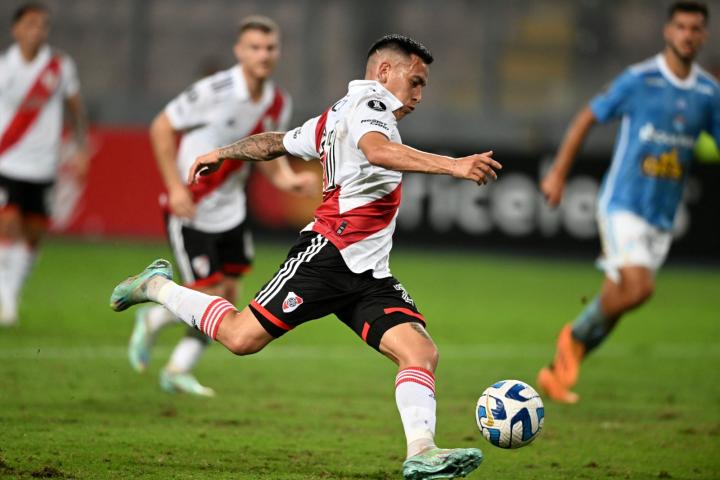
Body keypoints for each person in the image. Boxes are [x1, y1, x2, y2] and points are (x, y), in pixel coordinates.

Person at [111, 34, 501, 479]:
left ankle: (422, 452)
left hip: (368, 272)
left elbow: (277, 142)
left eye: (423, 86)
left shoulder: (338, 114)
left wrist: (223, 152)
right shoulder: (371, 106)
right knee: (240, 338)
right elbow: (377, 151)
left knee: (420, 351)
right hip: (328, 255)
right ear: (384, 72)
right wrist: (454, 165)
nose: (419, 94)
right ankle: (156, 286)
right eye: (415, 82)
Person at [537, 1, 719, 404]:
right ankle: (573, 336)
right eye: (681, 27)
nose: (688, 35)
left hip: (662, 215)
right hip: (623, 204)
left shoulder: (709, 94)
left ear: (704, 35)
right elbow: (587, 117)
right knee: (639, 289)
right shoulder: (639, 80)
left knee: (617, 301)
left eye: (695, 28)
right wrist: (558, 173)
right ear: (667, 32)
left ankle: (555, 373)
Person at [129, 15, 317, 397]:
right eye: (255, 47)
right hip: (192, 208)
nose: (264, 55)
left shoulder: (278, 102)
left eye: (270, 48)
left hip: (232, 211)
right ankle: (153, 316)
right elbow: (161, 126)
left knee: (228, 300)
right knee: (211, 297)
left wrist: (288, 180)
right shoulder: (214, 90)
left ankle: (177, 369)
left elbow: (267, 154)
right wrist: (174, 187)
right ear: (239, 51)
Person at [0, 3, 89, 326]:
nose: (37, 30)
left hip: (44, 165)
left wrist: (80, 147)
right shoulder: (4, 67)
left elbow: (75, 107)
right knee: (8, 226)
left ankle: (11, 291)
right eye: (31, 24)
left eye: (42, 25)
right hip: (7, 160)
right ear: (16, 29)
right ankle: (7, 300)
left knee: (33, 235)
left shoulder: (59, 66)